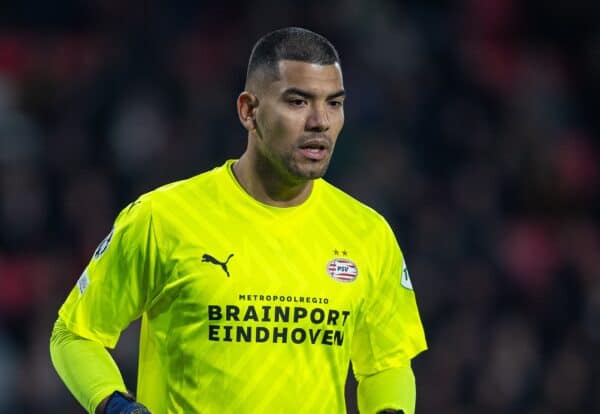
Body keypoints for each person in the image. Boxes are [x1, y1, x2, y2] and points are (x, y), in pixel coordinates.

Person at [50, 27, 427, 414]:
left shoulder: (368, 233)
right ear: (248, 110)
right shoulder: (162, 218)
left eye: (334, 103)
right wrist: (117, 408)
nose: (321, 121)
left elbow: (386, 363)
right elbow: (73, 335)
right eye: (298, 102)